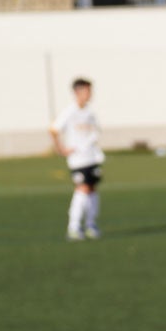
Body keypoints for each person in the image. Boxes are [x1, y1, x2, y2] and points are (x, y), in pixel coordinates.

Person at [49, 78, 104, 240]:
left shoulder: (90, 112)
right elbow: (53, 129)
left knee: (92, 189)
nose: (89, 94)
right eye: (87, 91)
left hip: (92, 157)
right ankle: (73, 226)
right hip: (78, 159)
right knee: (82, 189)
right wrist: (61, 148)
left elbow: (96, 131)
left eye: (90, 91)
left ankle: (90, 224)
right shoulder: (70, 112)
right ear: (77, 92)